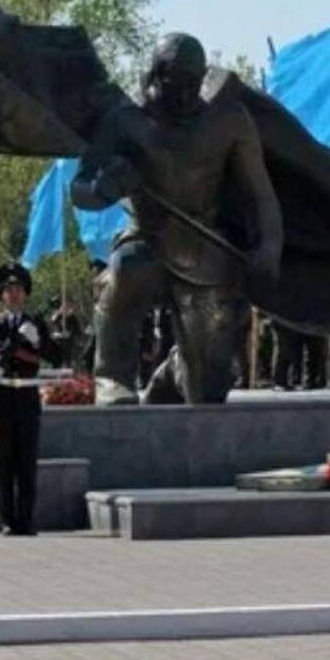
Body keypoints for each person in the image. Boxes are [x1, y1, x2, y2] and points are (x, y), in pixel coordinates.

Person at [71, 33, 283, 405]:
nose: (185, 94)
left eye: (193, 83)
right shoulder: (125, 119)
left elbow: (260, 195)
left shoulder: (229, 121)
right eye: (175, 83)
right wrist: (105, 186)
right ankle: (112, 376)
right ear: (155, 75)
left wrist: (269, 246)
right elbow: (80, 188)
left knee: (207, 394)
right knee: (125, 271)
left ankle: (174, 373)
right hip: (147, 240)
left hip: (205, 252)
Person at [0, 262, 62, 536]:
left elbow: (56, 357)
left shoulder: (36, 323)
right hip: (1, 396)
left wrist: (38, 342)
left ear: (26, 293)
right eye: (9, 290)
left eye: (18, 289)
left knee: (27, 463)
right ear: (1, 295)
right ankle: (8, 520)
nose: (14, 294)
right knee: (3, 463)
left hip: (28, 396)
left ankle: (26, 520)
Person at [46, 296, 82, 369]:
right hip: (57, 344)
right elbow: (50, 327)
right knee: (56, 363)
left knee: (67, 364)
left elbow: (76, 332)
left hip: (68, 345)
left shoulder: (73, 318)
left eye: (66, 306)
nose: (64, 308)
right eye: (63, 306)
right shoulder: (57, 317)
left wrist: (68, 334)